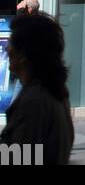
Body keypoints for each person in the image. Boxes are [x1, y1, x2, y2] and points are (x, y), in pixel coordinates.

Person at [4, 11, 74, 164]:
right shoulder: (55, 93)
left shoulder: (33, 103)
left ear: (23, 54)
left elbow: (21, 159)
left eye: (11, 43)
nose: (7, 50)